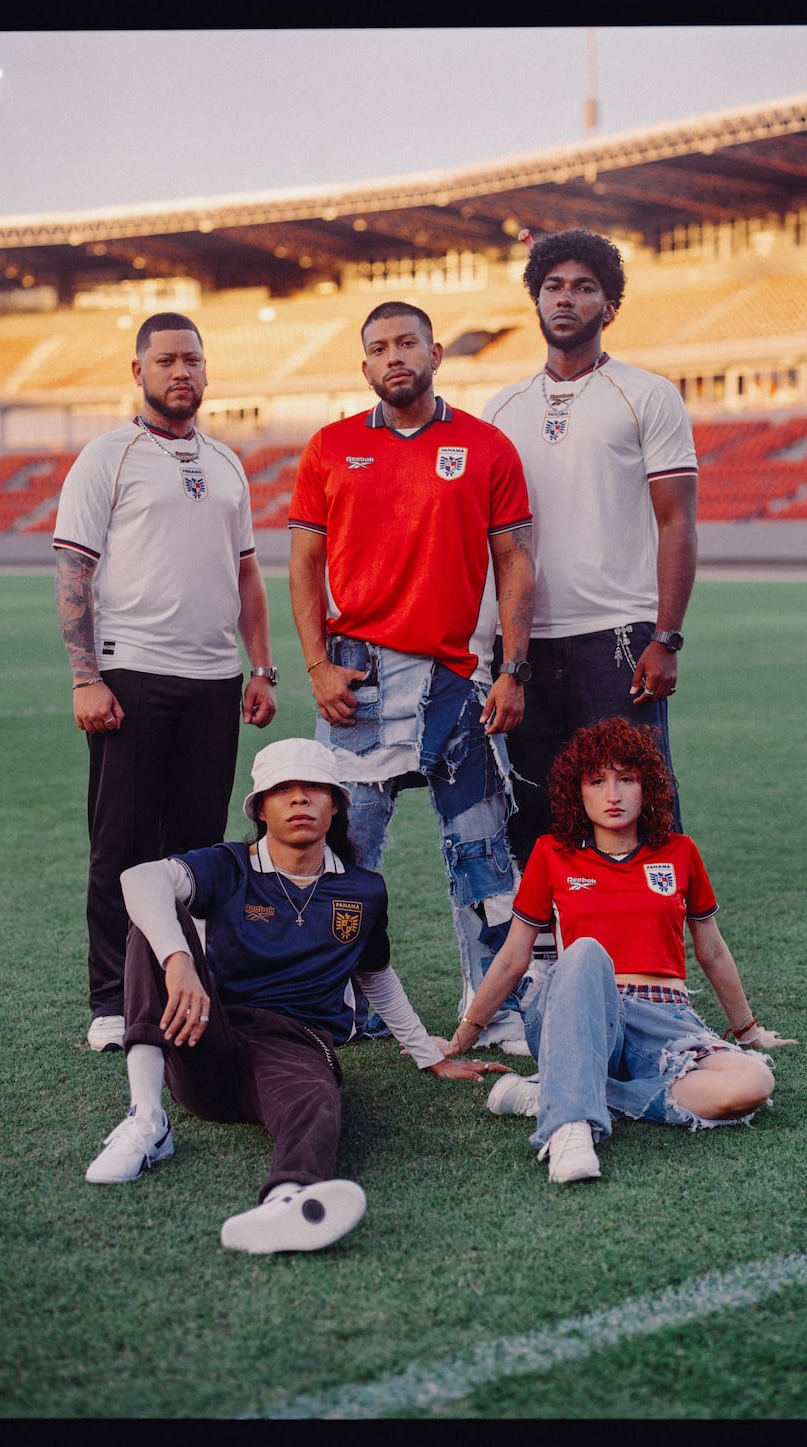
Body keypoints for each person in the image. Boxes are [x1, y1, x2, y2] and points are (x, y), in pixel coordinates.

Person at [84, 737, 504, 1254]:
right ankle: (146, 1119)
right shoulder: (229, 865)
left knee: (317, 1100)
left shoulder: (363, 889)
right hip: (205, 1034)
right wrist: (179, 961)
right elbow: (139, 877)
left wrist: (426, 1055)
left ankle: (288, 1200)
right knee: (154, 917)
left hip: (295, 1044)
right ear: (262, 807)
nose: (300, 800)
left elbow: (375, 974)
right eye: (284, 790)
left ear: (336, 805)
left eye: (313, 790)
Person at [288, 301, 536, 1052]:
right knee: (343, 855)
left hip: (456, 680)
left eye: (406, 343)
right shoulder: (329, 447)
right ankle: (328, 1001)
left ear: (434, 353)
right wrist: (316, 665)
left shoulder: (487, 446)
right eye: (378, 348)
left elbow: (515, 563)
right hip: (357, 680)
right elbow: (302, 562)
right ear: (364, 366)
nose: (393, 356)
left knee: (482, 849)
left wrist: (513, 670)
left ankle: (493, 1003)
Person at [54, 312, 278, 1053]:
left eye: (192, 360)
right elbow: (73, 571)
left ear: (207, 372)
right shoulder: (107, 457)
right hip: (132, 674)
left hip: (214, 679)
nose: (180, 372)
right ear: (138, 371)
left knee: (196, 851)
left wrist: (262, 666)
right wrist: (86, 677)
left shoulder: (226, 463)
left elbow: (246, 571)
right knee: (120, 843)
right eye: (165, 360)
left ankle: (187, 987)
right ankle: (114, 998)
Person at [445, 718, 797, 1184]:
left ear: (646, 787)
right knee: (587, 951)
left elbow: (710, 950)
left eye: (626, 779)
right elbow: (513, 958)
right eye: (597, 781)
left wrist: (748, 1031)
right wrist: (462, 1038)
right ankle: (569, 1127)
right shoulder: (553, 854)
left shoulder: (679, 852)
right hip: (582, 1011)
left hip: (666, 1018)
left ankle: (564, 1090)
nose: (613, 794)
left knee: (753, 1083)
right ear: (578, 792)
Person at [483, 228, 699, 870]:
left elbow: (678, 523)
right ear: (536, 300)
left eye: (584, 288)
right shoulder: (502, 408)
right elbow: (489, 541)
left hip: (619, 640)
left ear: (609, 306)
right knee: (538, 814)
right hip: (524, 647)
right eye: (553, 287)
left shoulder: (648, 394)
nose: (566, 299)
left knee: (637, 807)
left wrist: (667, 636)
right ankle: (547, 961)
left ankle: (650, 963)